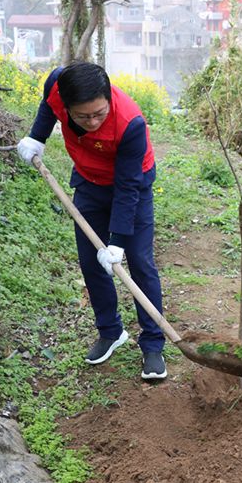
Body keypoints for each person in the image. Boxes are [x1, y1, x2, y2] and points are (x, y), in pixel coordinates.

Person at [17, 62, 167, 381]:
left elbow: (127, 190)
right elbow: (48, 107)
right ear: (68, 106)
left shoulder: (130, 123)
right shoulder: (57, 84)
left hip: (131, 185)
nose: (93, 121)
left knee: (139, 261)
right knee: (91, 262)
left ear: (107, 98)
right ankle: (111, 332)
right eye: (83, 116)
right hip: (88, 181)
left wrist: (117, 242)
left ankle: (153, 345)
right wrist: (37, 138)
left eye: (99, 113)